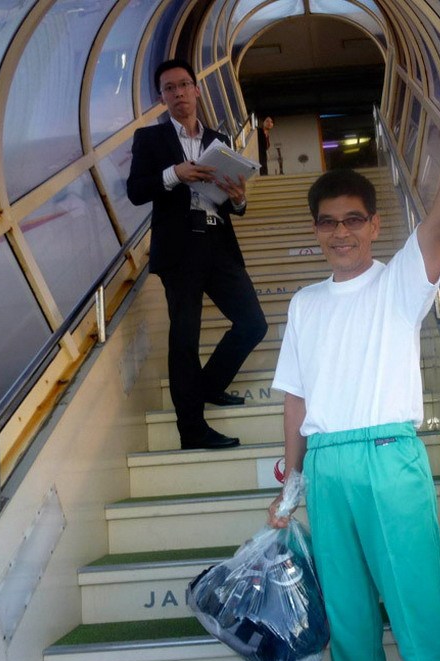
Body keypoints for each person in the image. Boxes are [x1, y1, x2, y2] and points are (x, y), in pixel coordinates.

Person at [267, 53, 440, 661]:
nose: (339, 231)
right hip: (325, 467)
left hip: (387, 457)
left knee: (417, 615)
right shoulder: (304, 304)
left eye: (352, 220)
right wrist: (292, 485)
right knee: (347, 628)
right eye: (327, 223)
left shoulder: (398, 280)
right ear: (316, 230)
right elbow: (296, 398)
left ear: (374, 225)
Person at [127, 59, 267, 450]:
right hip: (180, 248)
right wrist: (176, 174)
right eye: (169, 88)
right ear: (162, 98)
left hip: (219, 244)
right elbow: (136, 191)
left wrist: (238, 200)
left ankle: (206, 386)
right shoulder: (150, 140)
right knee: (184, 339)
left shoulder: (218, 140)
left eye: (184, 85)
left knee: (253, 324)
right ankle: (192, 430)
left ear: (197, 90)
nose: (178, 93)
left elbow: (230, 200)